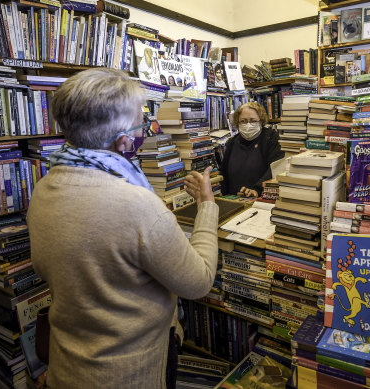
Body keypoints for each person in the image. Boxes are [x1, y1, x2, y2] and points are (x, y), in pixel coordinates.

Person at [27, 68, 219, 389]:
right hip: (129, 373)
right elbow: (197, 282)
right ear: (124, 140)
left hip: (68, 366)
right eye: (141, 124)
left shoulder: (45, 187)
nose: (144, 132)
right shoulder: (136, 203)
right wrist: (207, 206)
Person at [220, 101, 284, 198]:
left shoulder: (271, 139)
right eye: (243, 121)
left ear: (261, 122)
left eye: (253, 121)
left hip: (262, 197)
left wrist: (256, 189)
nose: (248, 125)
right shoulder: (232, 142)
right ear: (237, 123)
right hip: (234, 198)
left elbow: (275, 169)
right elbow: (223, 173)